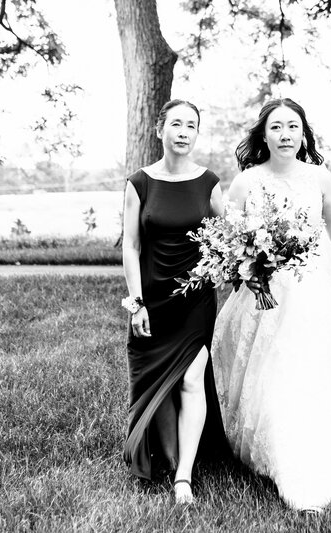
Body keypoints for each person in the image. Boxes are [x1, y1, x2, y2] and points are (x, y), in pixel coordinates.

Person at [211, 98, 331, 511]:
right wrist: (256, 272)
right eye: (276, 127)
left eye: (293, 127)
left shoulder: (320, 178)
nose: (285, 135)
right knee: (274, 374)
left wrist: (312, 268)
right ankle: (286, 460)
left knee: (319, 370)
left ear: (304, 135)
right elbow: (233, 241)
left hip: (314, 293)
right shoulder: (245, 183)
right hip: (264, 296)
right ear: (263, 135)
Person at [121, 99, 227, 505]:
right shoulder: (139, 183)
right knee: (155, 382)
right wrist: (137, 302)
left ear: (197, 134)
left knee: (189, 379)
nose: (184, 132)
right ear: (159, 130)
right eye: (176, 124)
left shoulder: (209, 183)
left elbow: (230, 236)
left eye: (192, 126)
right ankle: (165, 456)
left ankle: (184, 476)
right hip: (152, 297)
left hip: (196, 299)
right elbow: (131, 246)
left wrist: (232, 268)